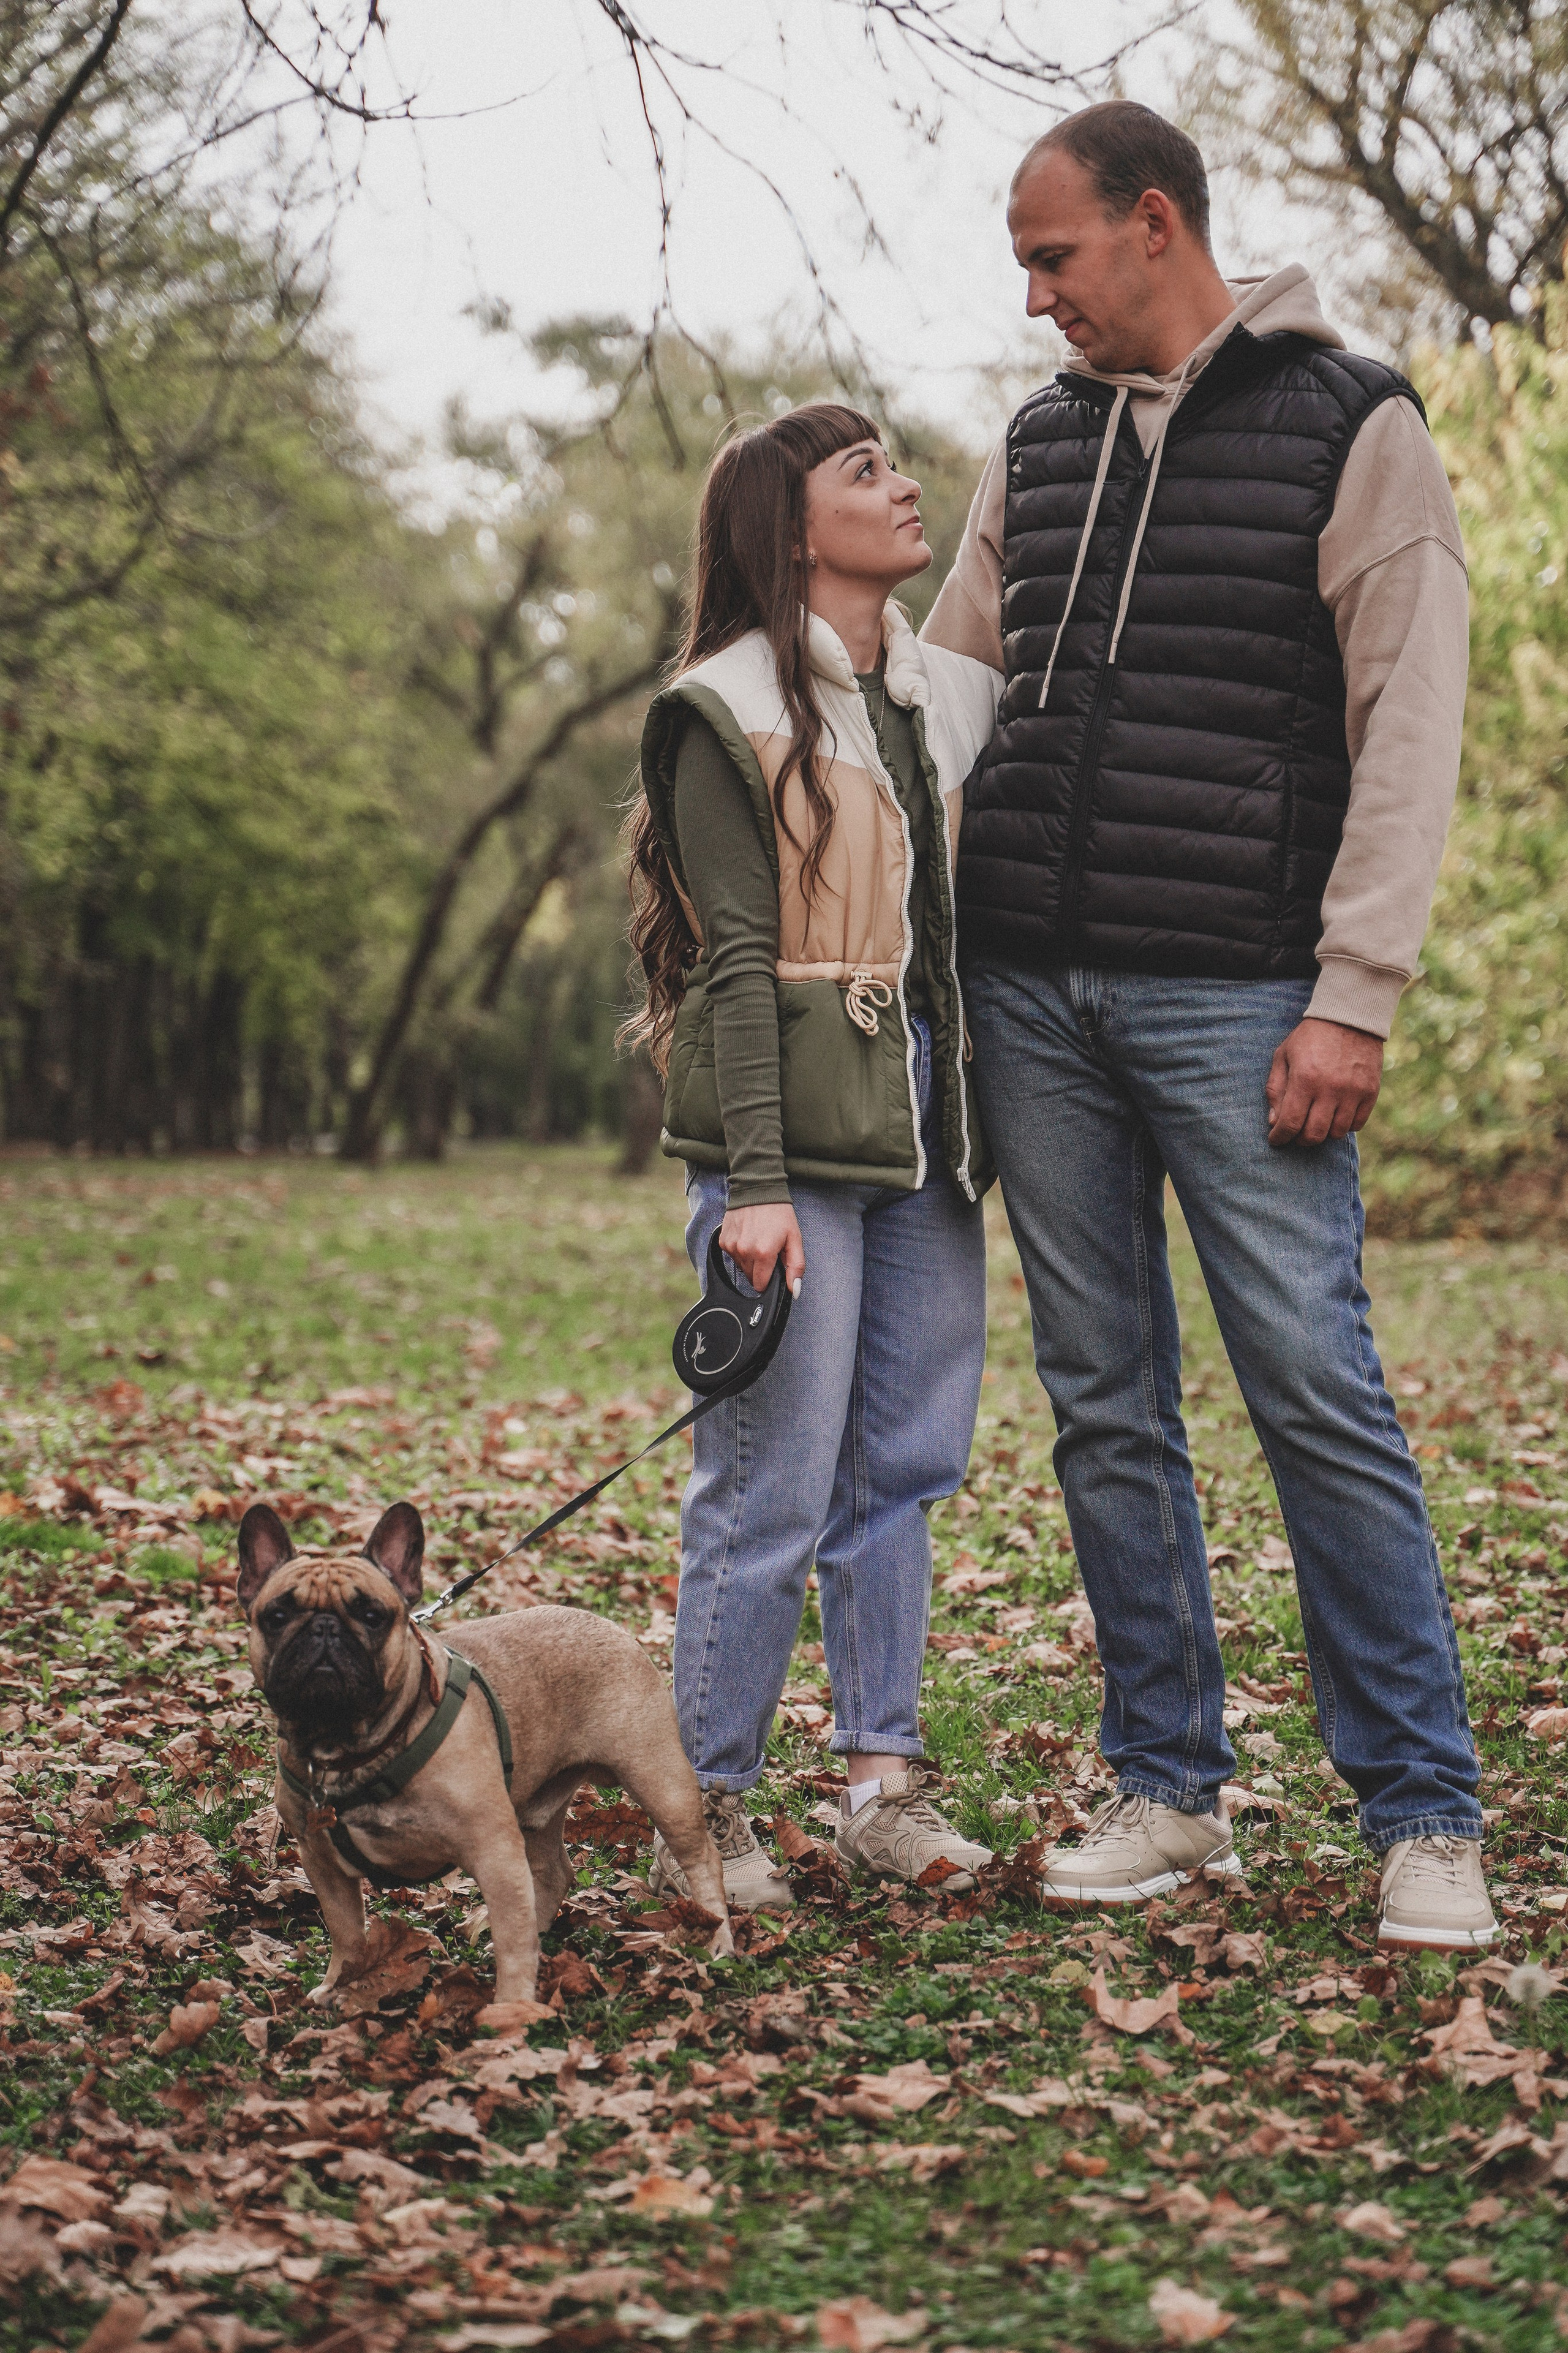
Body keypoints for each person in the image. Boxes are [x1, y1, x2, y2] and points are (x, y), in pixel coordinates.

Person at [922, 101, 1492, 1949]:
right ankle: (1171, 1788)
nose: (1034, 300)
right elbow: (941, 703)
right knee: (1106, 1406)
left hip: (1244, 993)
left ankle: (1425, 1813)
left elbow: (1410, 725)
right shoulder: (1045, 440)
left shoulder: (1355, 420)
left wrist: (1357, 994)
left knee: (1317, 1391)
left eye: (1053, 257)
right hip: (1032, 990)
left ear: (1154, 224)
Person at [625, 402, 1003, 1909]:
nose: (902, 483)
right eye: (864, 473)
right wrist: (758, 1188)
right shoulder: (719, 706)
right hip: (785, 1134)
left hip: (918, 1133)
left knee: (899, 1468)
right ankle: (702, 1808)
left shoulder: (925, 692)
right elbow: (732, 967)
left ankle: (879, 1784)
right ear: (790, 529)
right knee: (765, 1481)